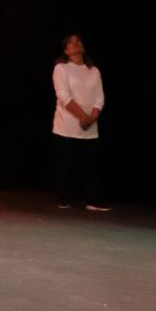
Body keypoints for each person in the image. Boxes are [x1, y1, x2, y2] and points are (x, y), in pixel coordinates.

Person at [51, 33, 108, 211]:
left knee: (91, 166)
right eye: (71, 42)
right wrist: (83, 117)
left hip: (89, 127)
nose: (76, 43)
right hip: (66, 125)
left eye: (78, 41)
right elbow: (64, 96)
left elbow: (99, 97)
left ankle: (93, 200)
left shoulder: (94, 71)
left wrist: (92, 117)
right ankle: (63, 199)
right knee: (65, 165)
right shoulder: (61, 68)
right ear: (66, 50)